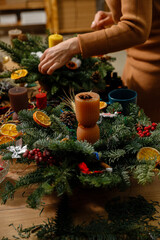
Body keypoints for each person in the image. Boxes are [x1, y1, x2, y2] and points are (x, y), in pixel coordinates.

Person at [38, 0, 160, 123]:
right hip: (135, 60)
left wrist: (74, 45)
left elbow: (135, 29)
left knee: (146, 130)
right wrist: (118, 16)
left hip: (152, 69)